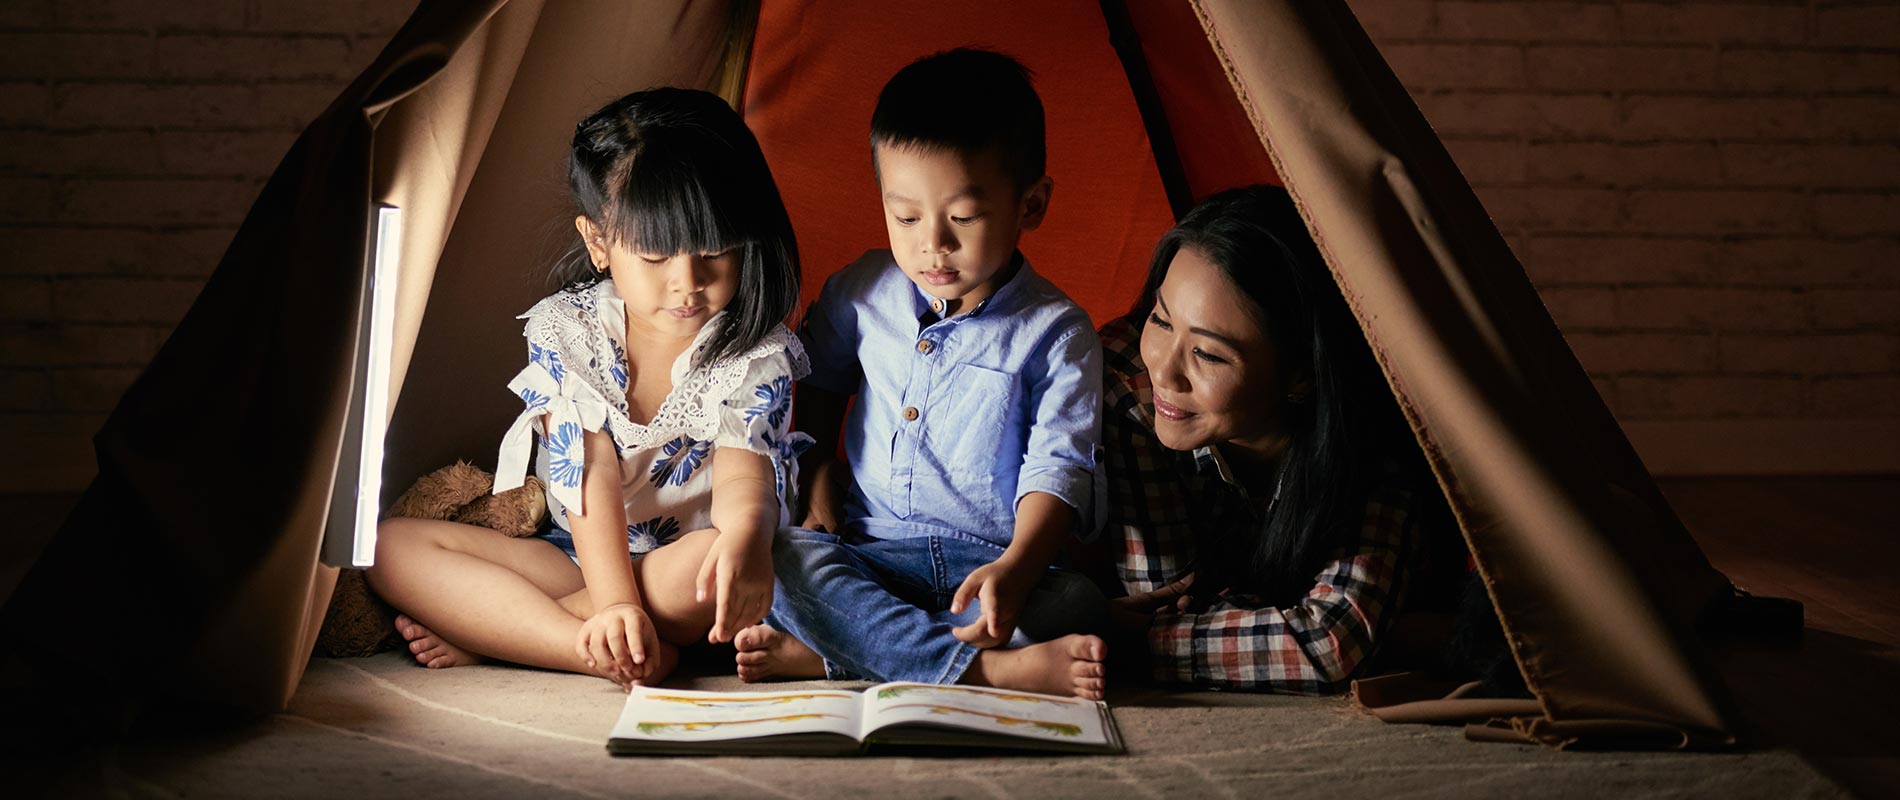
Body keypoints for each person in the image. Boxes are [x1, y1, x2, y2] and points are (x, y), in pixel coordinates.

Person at [367, 88, 808, 689]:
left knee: (722, 558)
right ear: (599, 243)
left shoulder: (753, 350)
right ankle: (591, 646)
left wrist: (748, 538)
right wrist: (614, 603)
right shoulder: (568, 330)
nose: (688, 282)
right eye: (655, 257)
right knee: (388, 547)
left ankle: (506, 635)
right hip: (579, 554)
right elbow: (587, 472)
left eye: (714, 251)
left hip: (683, 570)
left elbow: (741, 481)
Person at [731, 48, 1110, 699]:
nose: (933, 243)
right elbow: (817, 384)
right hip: (871, 555)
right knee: (781, 559)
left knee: (1078, 603)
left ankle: (842, 652)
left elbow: (1059, 465)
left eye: (963, 218)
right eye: (906, 216)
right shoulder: (860, 290)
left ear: (1031, 204)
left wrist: (1018, 568)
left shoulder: (1059, 332)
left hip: (989, 566)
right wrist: (817, 472)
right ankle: (984, 669)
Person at [1097, 185, 1465, 694]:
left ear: (1301, 375)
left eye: (1209, 354)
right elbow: (1165, 601)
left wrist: (1117, 640)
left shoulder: (1374, 442)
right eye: (1160, 319)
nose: (1163, 370)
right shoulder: (1124, 383)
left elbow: (1330, 643)